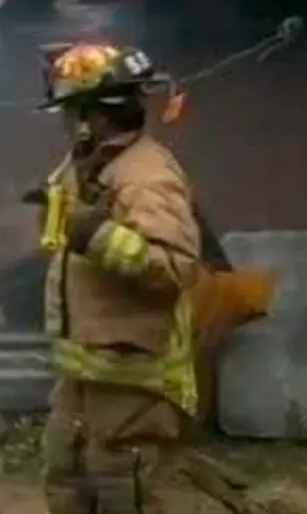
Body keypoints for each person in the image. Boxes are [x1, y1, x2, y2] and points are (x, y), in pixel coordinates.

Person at [25, 43, 201, 514]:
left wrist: (98, 235)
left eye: (72, 113)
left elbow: (176, 269)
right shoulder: (85, 165)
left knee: (123, 488)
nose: (67, 125)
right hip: (85, 371)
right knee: (66, 478)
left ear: (93, 117)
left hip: (131, 378)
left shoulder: (145, 177)